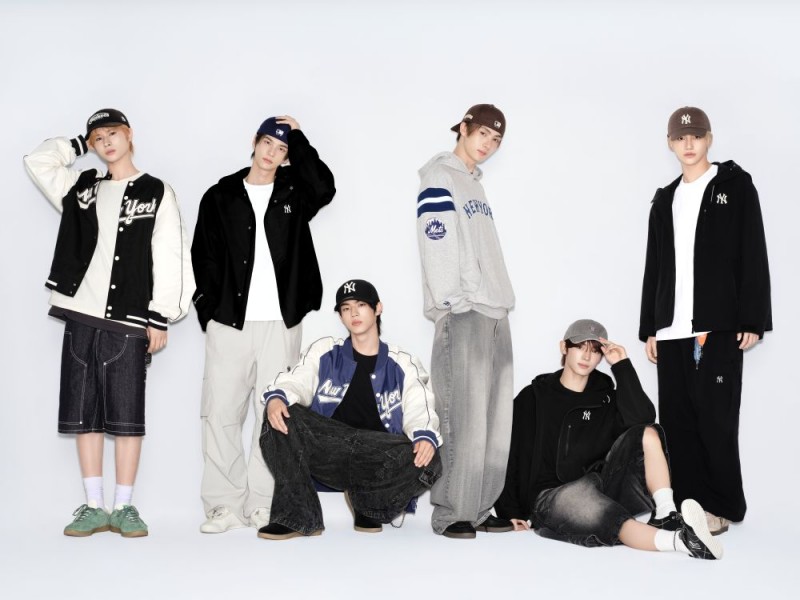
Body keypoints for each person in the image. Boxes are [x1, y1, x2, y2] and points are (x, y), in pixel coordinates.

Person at [24, 108, 194, 537]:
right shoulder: (82, 188)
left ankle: (124, 507)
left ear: (129, 134)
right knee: (84, 414)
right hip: (81, 314)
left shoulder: (156, 191)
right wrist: (77, 145)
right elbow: (38, 161)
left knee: (126, 415)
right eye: (98, 139)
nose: (106, 144)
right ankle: (93, 506)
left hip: (131, 319)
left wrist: (160, 316)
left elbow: (171, 253)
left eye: (112, 134)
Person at [192, 115, 335, 533]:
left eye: (282, 148)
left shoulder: (295, 192)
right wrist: (209, 310)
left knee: (273, 413)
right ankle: (223, 505)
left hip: (281, 322)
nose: (273, 152)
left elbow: (325, 187)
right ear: (254, 142)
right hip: (229, 322)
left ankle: (262, 502)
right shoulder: (221, 195)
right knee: (220, 412)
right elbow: (203, 255)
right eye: (269, 143)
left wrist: (300, 138)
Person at [639, 106, 772, 534]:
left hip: (718, 325)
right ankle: (690, 507)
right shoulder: (665, 199)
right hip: (672, 329)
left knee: (716, 420)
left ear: (709, 138)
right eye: (680, 138)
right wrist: (650, 327)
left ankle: (722, 506)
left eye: (696, 136)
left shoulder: (735, 186)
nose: (689, 144)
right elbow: (655, 265)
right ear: (670, 143)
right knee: (677, 422)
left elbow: (753, 251)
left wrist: (752, 317)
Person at [495, 319, 723, 559]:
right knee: (605, 515)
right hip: (552, 496)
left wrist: (622, 366)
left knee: (648, 432)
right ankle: (682, 542)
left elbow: (644, 418)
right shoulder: (534, 397)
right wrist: (510, 511)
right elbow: (508, 451)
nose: (587, 356)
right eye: (580, 346)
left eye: (595, 350)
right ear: (564, 347)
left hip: (602, 486)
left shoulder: (605, 396)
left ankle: (666, 513)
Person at [256, 279, 442, 540]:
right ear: (341, 316)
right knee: (280, 412)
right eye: (345, 308)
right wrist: (279, 397)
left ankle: (369, 504)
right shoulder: (325, 350)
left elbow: (419, 405)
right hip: (328, 449)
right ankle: (297, 517)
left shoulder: (402, 362)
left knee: (431, 457)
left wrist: (423, 435)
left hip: (376, 456)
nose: (353, 313)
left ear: (378, 308)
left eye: (361, 305)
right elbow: (297, 378)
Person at [416, 104, 515, 538]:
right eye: (482, 134)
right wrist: (454, 300)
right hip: (465, 309)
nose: (488, 145)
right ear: (463, 128)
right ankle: (452, 511)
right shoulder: (441, 177)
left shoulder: (474, 184)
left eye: (496, 140)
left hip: (494, 307)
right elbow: (436, 239)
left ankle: (478, 508)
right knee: (461, 414)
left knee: (494, 420)